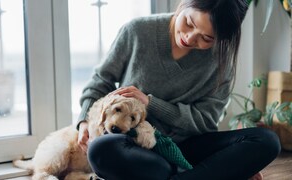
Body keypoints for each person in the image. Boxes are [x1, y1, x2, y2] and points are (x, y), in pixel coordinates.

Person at [76, 0, 281, 179]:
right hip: (139, 146)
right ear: (184, 3)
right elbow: (100, 81)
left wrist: (151, 103)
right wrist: (85, 120)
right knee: (100, 150)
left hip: (188, 146)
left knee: (267, 141)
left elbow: (205, 121)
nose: (190, 38)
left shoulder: (221, 63)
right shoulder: (137, 32)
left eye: (206, 38)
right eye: (189, 23)